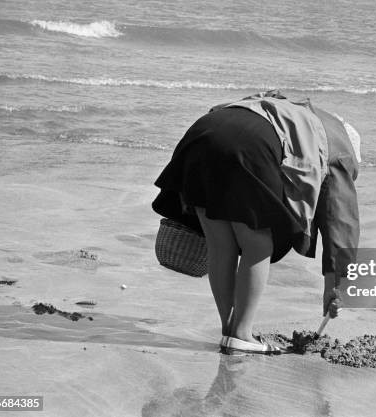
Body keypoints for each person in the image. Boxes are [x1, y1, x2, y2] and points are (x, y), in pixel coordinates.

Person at [152, 90, 360, 354]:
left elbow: (224, 114)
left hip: (202, 136)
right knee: (258, 243)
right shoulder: (340, 149)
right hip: (251, 145)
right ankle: (241, 334)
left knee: (220, 244)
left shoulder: (289, 108)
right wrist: (336, 286)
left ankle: (230, 330)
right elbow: (340, 221)